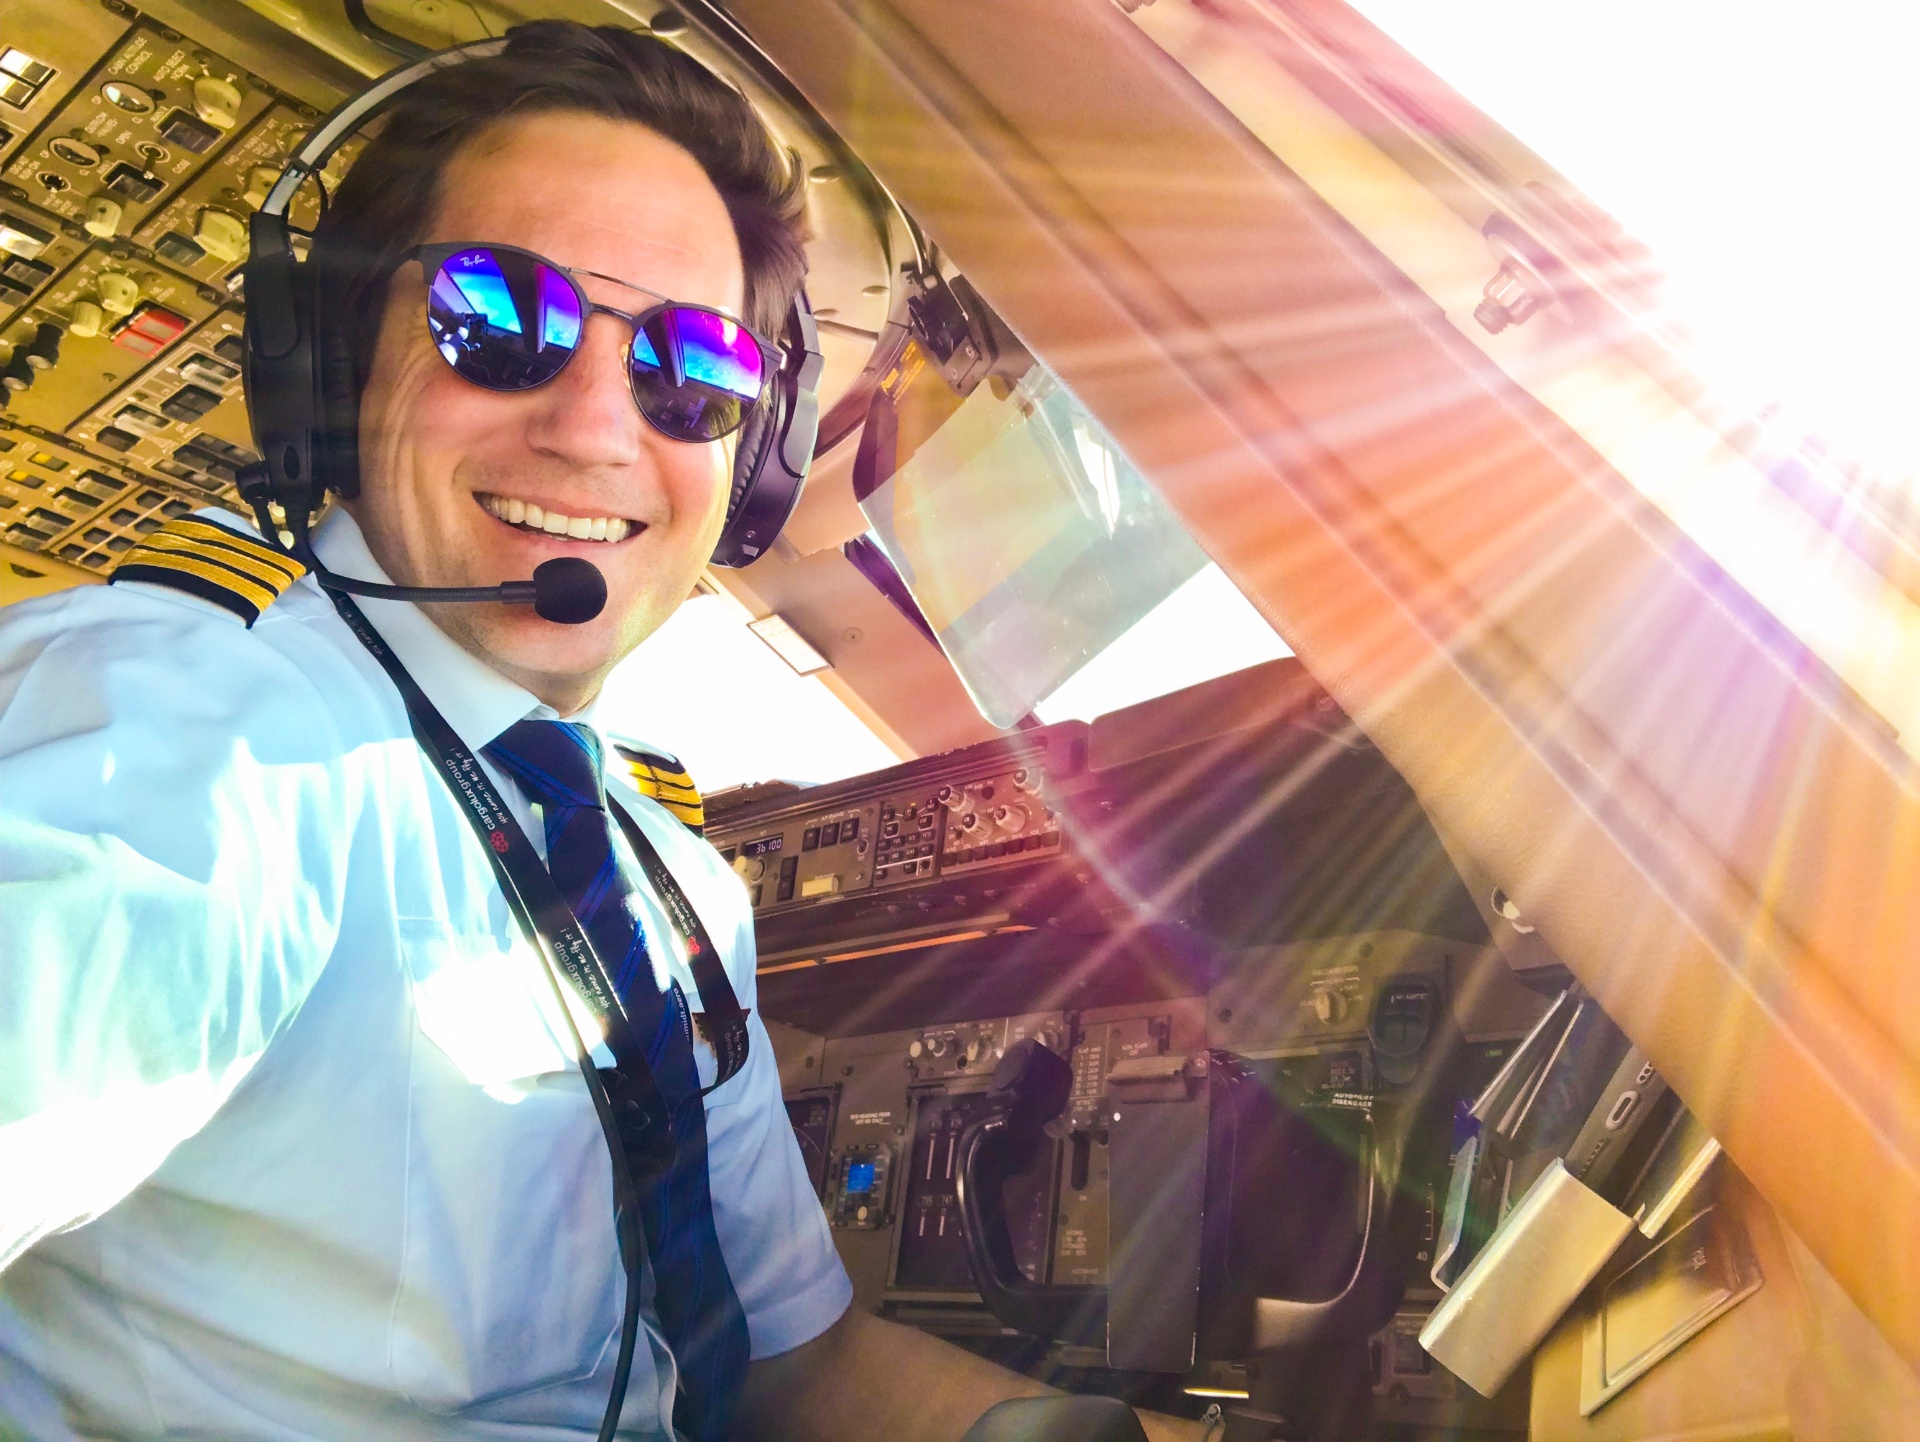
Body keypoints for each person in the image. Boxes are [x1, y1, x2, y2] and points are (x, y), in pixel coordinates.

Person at [0, 22, 1202, 1442]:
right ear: (335, 350)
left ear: (749, 457)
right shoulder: (203, 727)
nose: (593, 428)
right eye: (499, 320)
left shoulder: (662, 872)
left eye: (690, 371)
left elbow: (795, 1364)